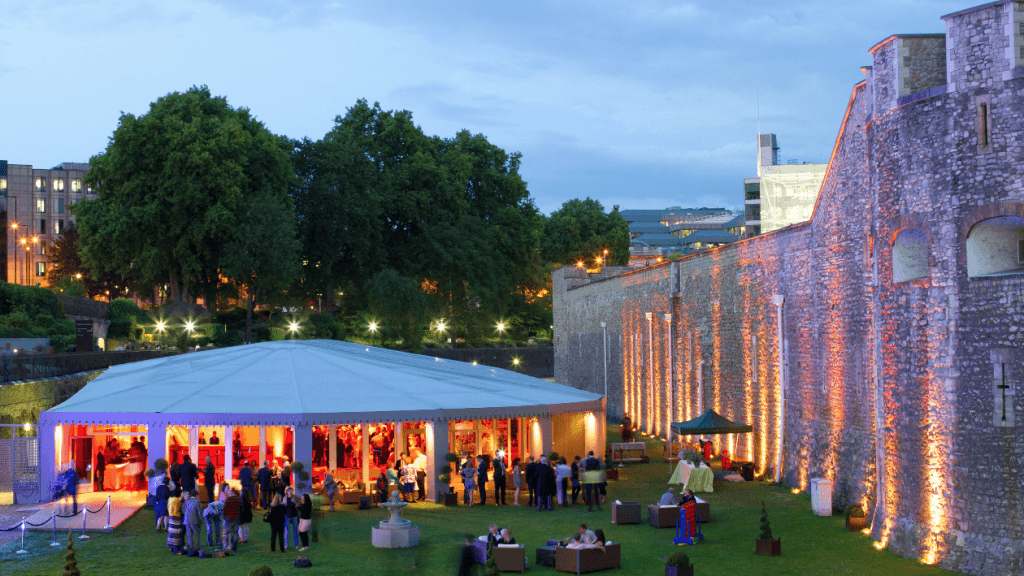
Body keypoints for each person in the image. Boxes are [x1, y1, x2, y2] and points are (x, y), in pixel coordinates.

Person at [223, 487, 241, 551]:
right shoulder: (238, 500)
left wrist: (224, 516)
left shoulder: (228, 500)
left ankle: (229, 545)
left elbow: (225, 509)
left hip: (229, 518)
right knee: (235, 532)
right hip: (236, 517)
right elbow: (241, 509)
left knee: (229, 532)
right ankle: (234, 546)